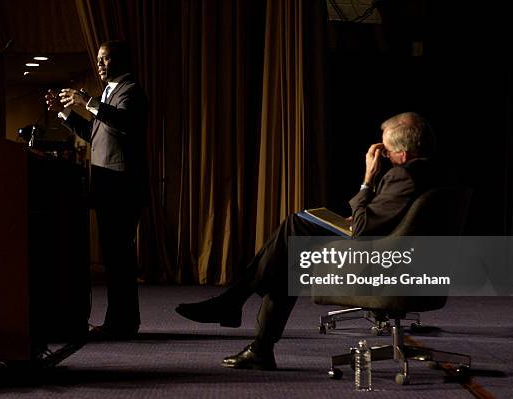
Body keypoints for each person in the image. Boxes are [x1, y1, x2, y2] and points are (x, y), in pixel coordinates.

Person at [176, 112, 440, 369]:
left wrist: (367, 180)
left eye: (386, 151)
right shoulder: (431, 173)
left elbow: (362, 229)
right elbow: (394, 218)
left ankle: (237, 308)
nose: (381, 156)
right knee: (293, 253)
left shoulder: (402, 175)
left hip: (382, 260)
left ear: (403, 154)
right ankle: (256, 340)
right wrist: (356, 218)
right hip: (404, 255)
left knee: (295, 228)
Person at [45, 40, 149, 341]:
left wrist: (88, 102)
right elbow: (95, 135)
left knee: (120, 258)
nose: (100, 64)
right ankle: (118, 320)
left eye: (106, 59)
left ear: (121, 60)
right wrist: (64, 115)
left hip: (121, 186)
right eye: (99, 59)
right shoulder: (108, 93)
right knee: (113, 257)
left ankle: (124, 323)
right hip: (106, 185)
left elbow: (125, 124)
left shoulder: (131, 91)